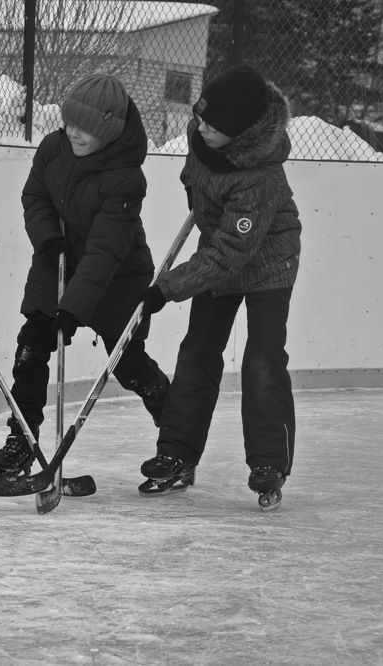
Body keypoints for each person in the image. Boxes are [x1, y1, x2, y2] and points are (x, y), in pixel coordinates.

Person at [137, 64, 301, 511]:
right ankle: (177, 453)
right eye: (201, 116)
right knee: (197, 351)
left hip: (268, 263)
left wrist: (166, 289)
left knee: (262, 358)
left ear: (243, 132)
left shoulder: (261, 177)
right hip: (221, 246)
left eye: (213, 124)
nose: (201, 126)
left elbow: (230, 254)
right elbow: (194, 177)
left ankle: (269, 463)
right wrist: (200, 200)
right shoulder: (202, 131)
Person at [0, 73, 171, 475]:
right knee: (32, 345)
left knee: (127, 364)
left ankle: (175, 425)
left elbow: (105, 252)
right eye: (70, 122)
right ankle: (22, 437)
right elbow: (34, 196)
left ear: (108, 130)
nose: (73, 132)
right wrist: (47, 237)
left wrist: (72, 308)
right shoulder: (54, 148)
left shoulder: (126, 177)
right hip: (56, 261)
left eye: (85, 128)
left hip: (117, 277)